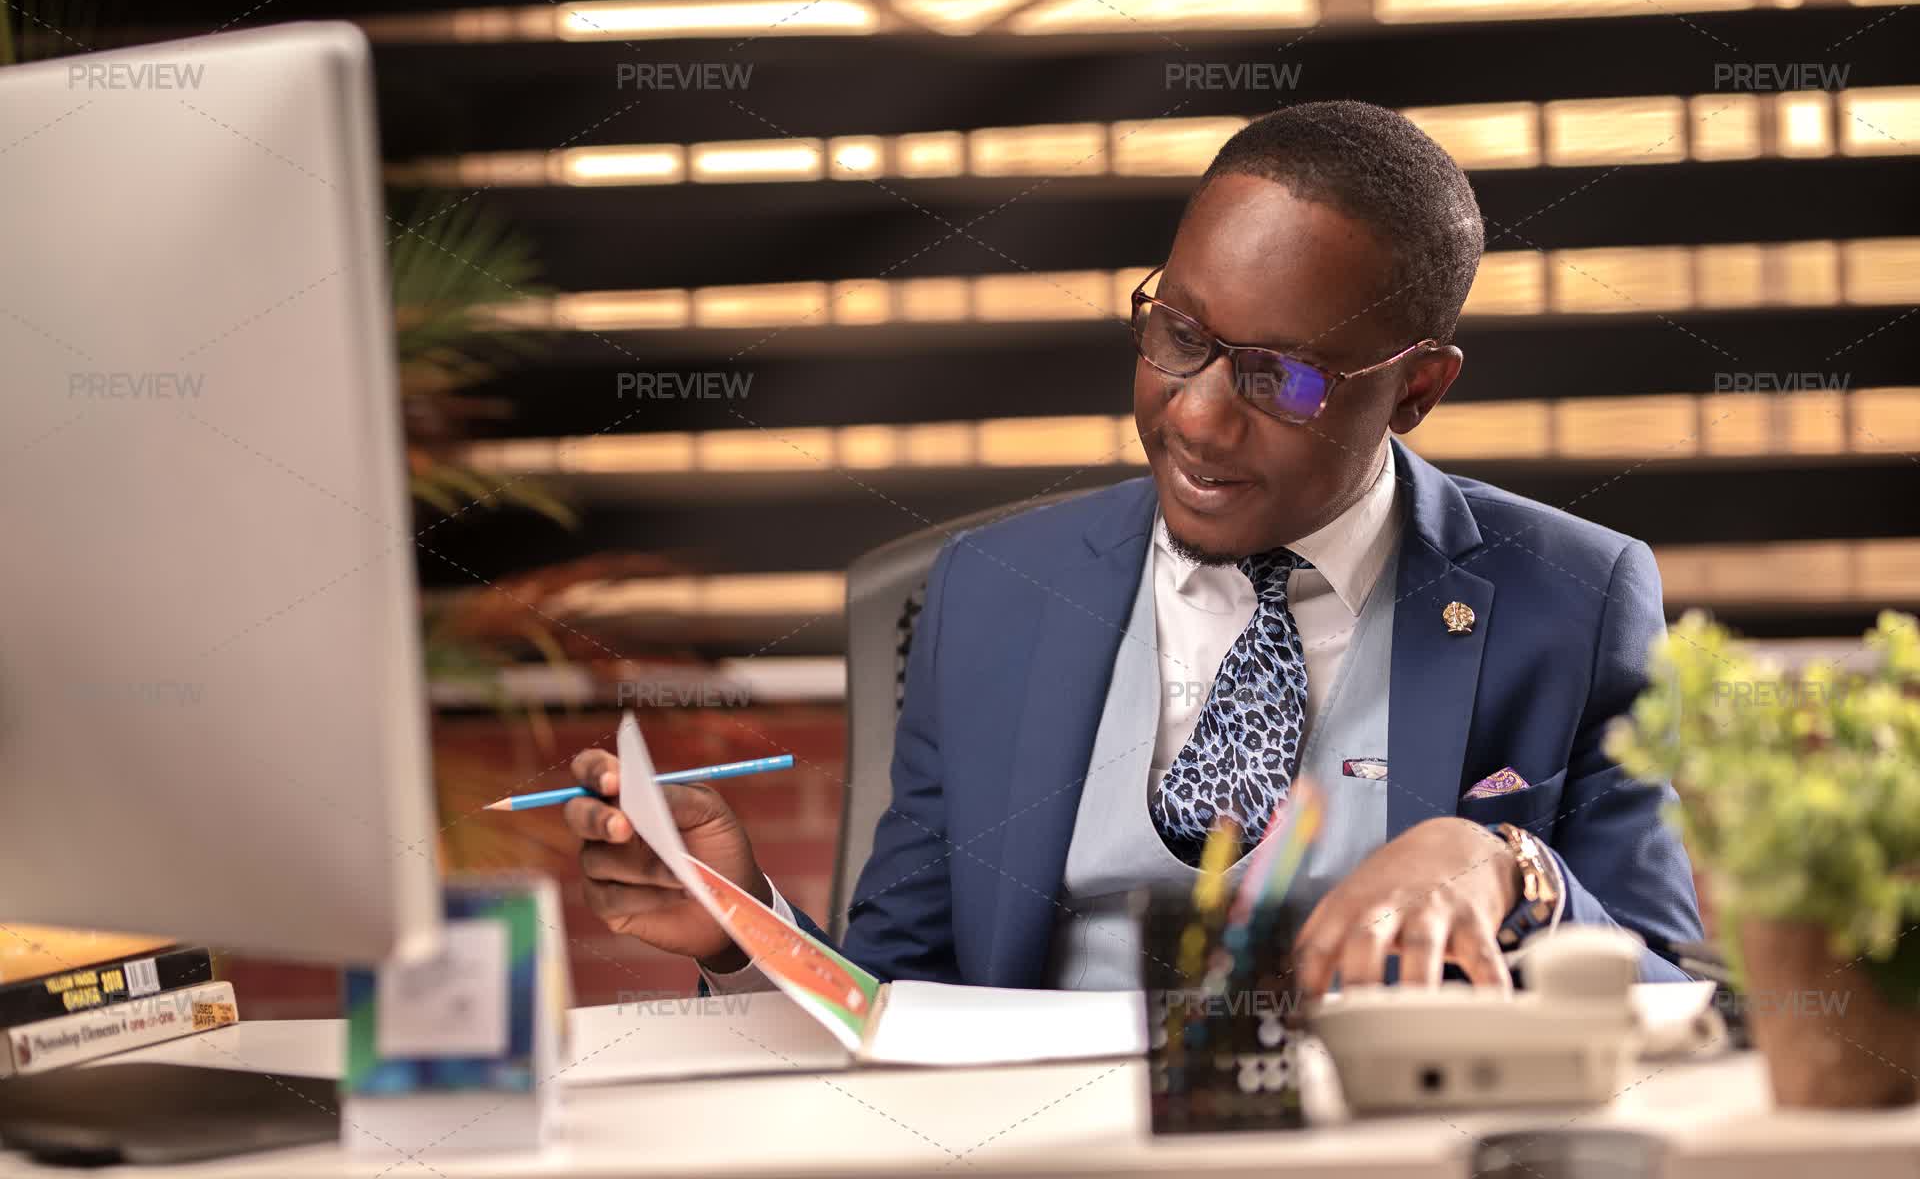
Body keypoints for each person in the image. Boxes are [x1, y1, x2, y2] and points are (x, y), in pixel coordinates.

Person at [565, 100, 1704, 995]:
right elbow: (903, 998)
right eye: (1181, 335)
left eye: (1281, 375)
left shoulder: (1572, 596)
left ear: (1416, 390)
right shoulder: (995, 595)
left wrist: (1515, 867)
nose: (1198, 416)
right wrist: (739, 918)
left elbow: (1679, 1002)